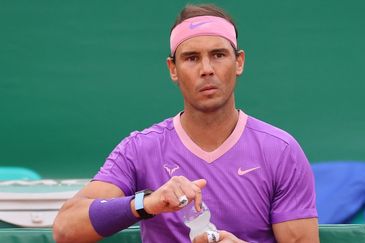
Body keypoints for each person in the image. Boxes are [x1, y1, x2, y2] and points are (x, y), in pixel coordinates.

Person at [53, 3, 319, 243]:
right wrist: (148, 202)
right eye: (191, 58)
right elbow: (65, 228)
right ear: (173, 69)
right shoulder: (139, 149)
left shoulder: (281, 151)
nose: (206, 69)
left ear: (239, 62)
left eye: (218, 55)